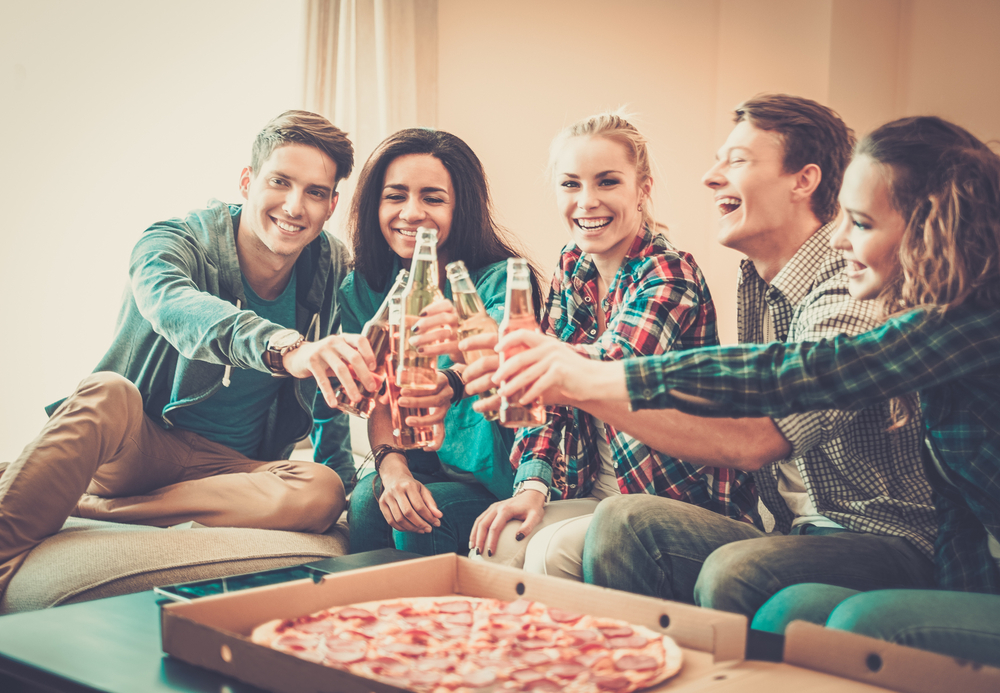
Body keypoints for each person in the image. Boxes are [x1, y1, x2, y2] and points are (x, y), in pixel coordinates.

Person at [495, 115, 1000, 665]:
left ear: (927, 229)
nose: (840, 238)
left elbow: (797, 375)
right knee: (783, 607)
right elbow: (957, 512)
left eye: (860, 222)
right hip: (845, 538)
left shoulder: (972, 323)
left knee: (844, 615)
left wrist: (590, 375)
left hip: (889, 539)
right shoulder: (917, 316)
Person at [0, 110, 369, 598]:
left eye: (315, 192)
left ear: (331, 204)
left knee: (320, 489)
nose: (294, 206)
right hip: (140, 445)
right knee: (106, 391)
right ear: (247, 181)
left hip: (231, 468)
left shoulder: (331, 265)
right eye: (280, 181)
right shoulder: (174, 240)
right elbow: (173, 305)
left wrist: (345, 487)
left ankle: (96, 506)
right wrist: (285, 348)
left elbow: (330, 388)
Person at [465, 111, 757, 581]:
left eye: (607, 182)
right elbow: (547, 404)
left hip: (671, 500)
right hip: (595, 488)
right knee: (493, 547)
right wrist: (532, 486)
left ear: (642, 189)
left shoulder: (670, 273)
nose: (587, 201)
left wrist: (523, 358)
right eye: (570, 185)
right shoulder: (572, 265)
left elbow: (615, 368)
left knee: (550, 555)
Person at [341, 128, 540, 557]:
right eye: (395, 196)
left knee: (432, 513)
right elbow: (380, 397)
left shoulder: (501, 281)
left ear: (461, 208)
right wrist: (392, 470)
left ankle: (433, 622)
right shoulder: (366, 287)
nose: (411, 213)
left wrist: (449, 381)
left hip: (503, 479)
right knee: (366, 502)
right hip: (431, 462)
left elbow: (493, 361)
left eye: (432, 198)